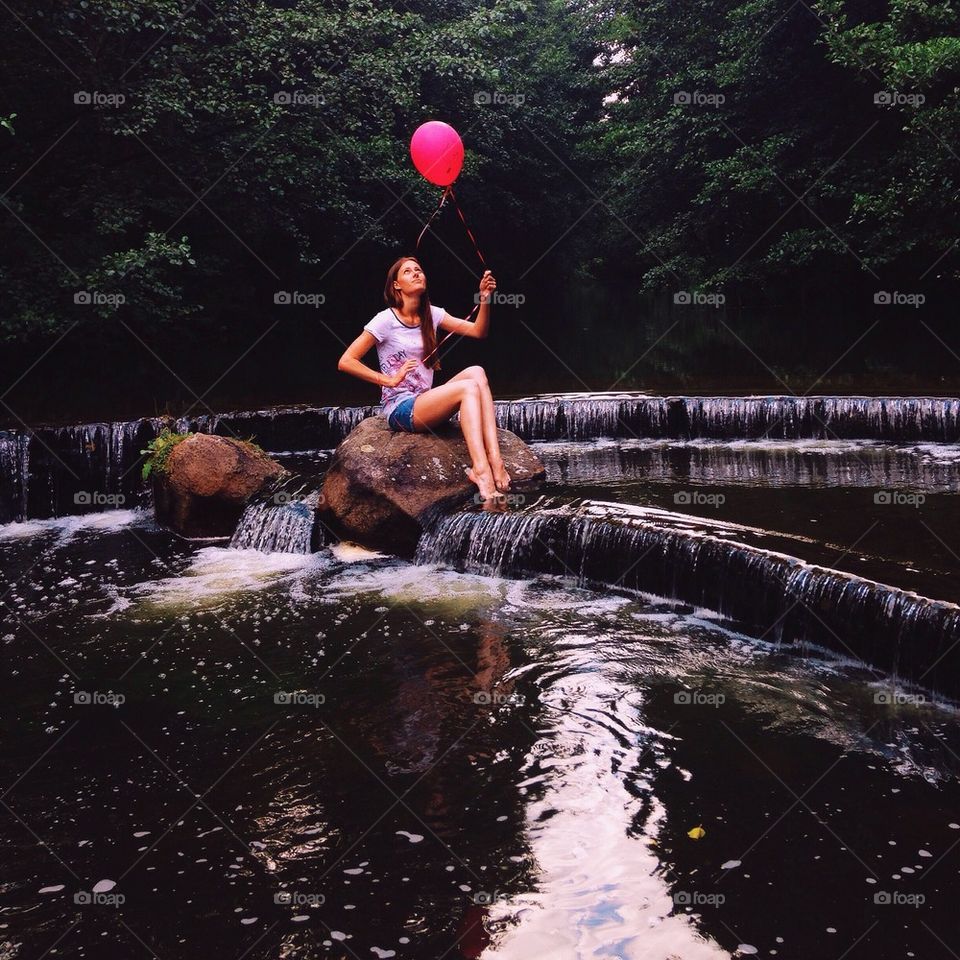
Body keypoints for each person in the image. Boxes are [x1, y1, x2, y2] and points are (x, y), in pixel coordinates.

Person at [337, 256, 511, 502]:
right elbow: (346, 361)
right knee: (468, 387)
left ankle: (495, 459)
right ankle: (481, 472)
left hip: (424, 402)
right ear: (396, 285)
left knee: (477, 372)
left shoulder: (433, 314)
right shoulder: (385, 320)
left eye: (419, 269)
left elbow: (478, 331)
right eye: (408, 272)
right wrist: (388, 380)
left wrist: (484, 298)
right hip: (401, 409)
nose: (417, 273)